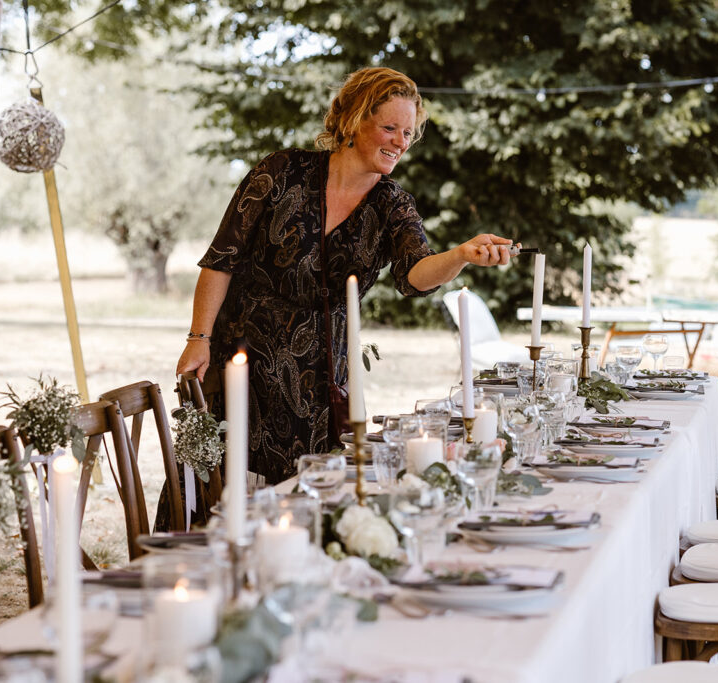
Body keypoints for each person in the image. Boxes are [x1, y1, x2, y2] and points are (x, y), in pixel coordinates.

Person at [176, 66, 512, 485]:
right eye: (390, 128)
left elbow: (415, 275)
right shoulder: (279, 172)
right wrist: (198, 338)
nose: (400, 143)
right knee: (222, 490)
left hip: (322, 382)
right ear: (354, 120)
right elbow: (221, 258)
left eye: (408, 134)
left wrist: (461, 255)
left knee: (313, 496)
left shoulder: (392, 205)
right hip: (242, 363)